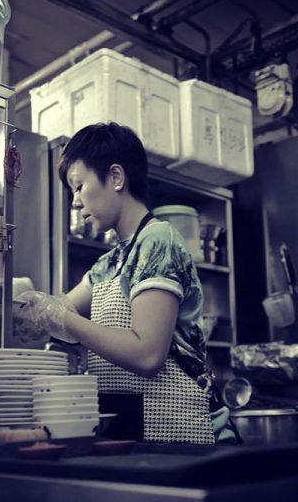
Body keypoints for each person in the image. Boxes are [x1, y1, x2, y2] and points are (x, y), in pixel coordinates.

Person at [13, 122, 214, 444]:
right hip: (125, 425)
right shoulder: (110, 263)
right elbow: (56, 310)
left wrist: (64, 320)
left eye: (78, 186)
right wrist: (23, 305)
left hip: (170, 430)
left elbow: (147, 355)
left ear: (116, 177)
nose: (75, 202)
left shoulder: (158, 241)